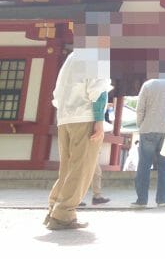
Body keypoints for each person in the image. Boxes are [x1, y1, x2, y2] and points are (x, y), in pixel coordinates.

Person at [45, 48, 112, 230]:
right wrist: (99, 120)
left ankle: (54, 208)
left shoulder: (72, 56)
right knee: (82, 168)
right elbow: (98, 90)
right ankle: (63, 214)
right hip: (85, 117)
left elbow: (58, 92)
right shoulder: (97, 54)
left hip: (65, 118)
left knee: (67, 168)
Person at [131, 75, 165, 209]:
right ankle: (162, 199)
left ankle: (142, 200)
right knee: (164, 166)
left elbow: (140, 108)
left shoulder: (148, 85)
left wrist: (140, 125)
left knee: (144, 165)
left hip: (149, 128)